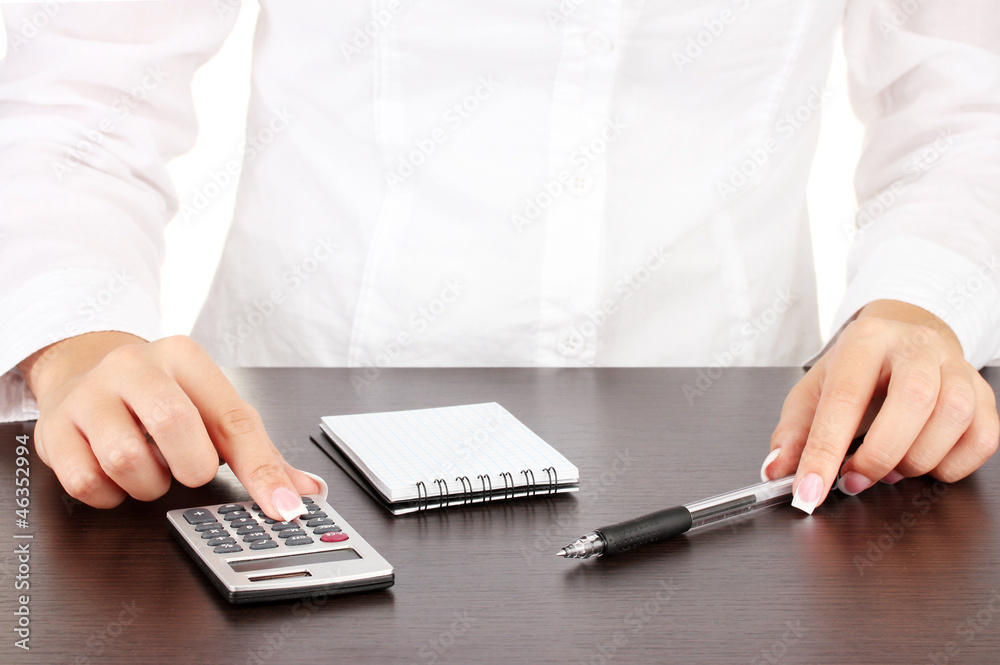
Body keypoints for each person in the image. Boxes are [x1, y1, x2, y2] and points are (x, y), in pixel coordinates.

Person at [1, 1, 998, 522]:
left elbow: (963, 94)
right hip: (290, 448)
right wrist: (79, 341)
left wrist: (916, 309)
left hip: (743, 458)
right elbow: (77, 95)